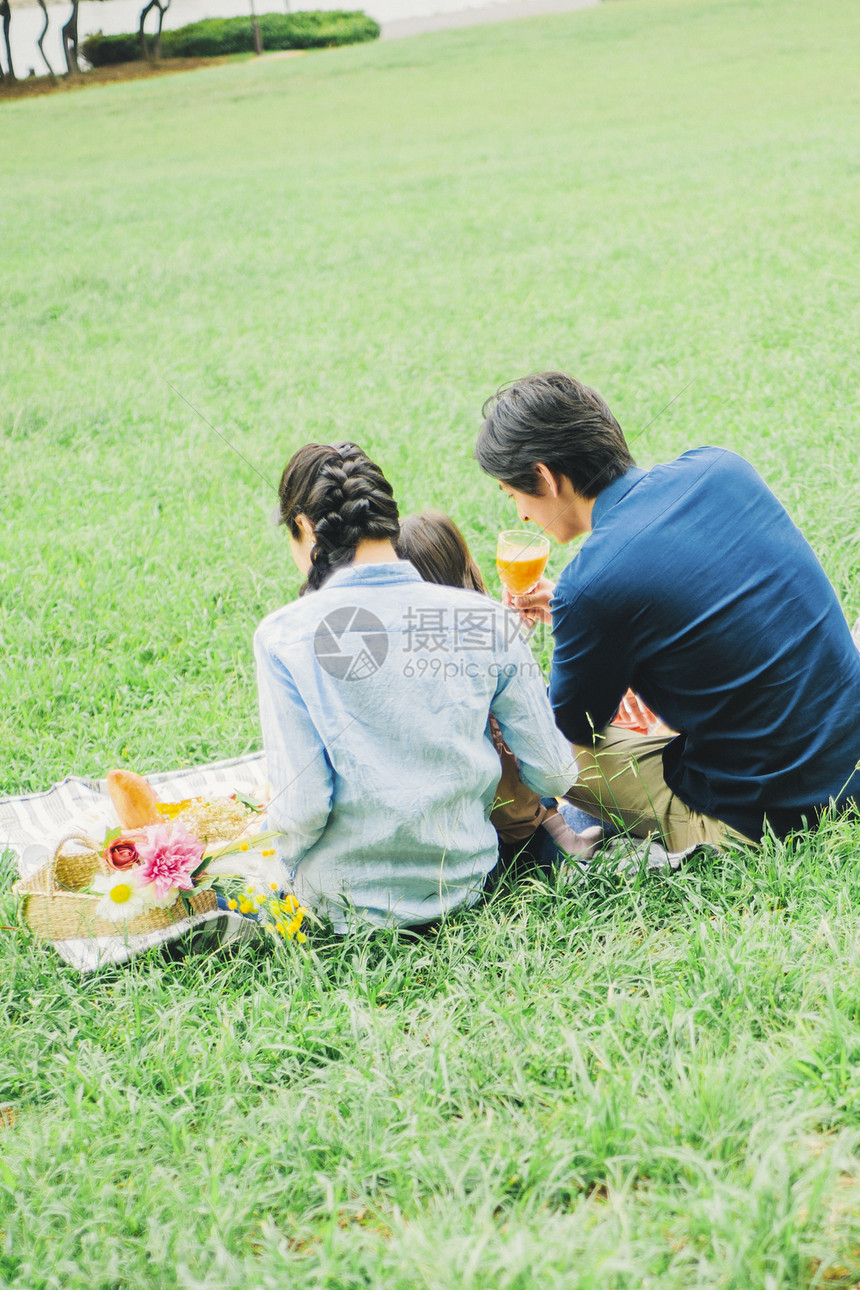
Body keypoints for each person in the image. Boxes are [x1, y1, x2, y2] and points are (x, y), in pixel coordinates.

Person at [475, 371, 860, 851]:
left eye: (514, 496)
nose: (521, 515)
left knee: (520, 735)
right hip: (850, 755)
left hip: (768, 810)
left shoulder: (591, 584)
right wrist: (586, 621)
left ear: (546, 477)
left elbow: (570, 728)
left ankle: (536, 843)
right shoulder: (721, 466)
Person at [254, 442, 579, 932]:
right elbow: (554, 774)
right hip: (466, 886)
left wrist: (276, 864)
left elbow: (301, 809)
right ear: (388, 521)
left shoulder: (283, 636)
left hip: (339, 905)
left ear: (303, 526)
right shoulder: (488, 620)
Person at [395, 510, 602, 861]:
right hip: (510, 809)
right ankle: (558, 833)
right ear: (466, 564)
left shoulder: (410, 643)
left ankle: (550, 831)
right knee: (526, 719)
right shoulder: (478, 628)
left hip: (453, 811)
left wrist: (512, 632)